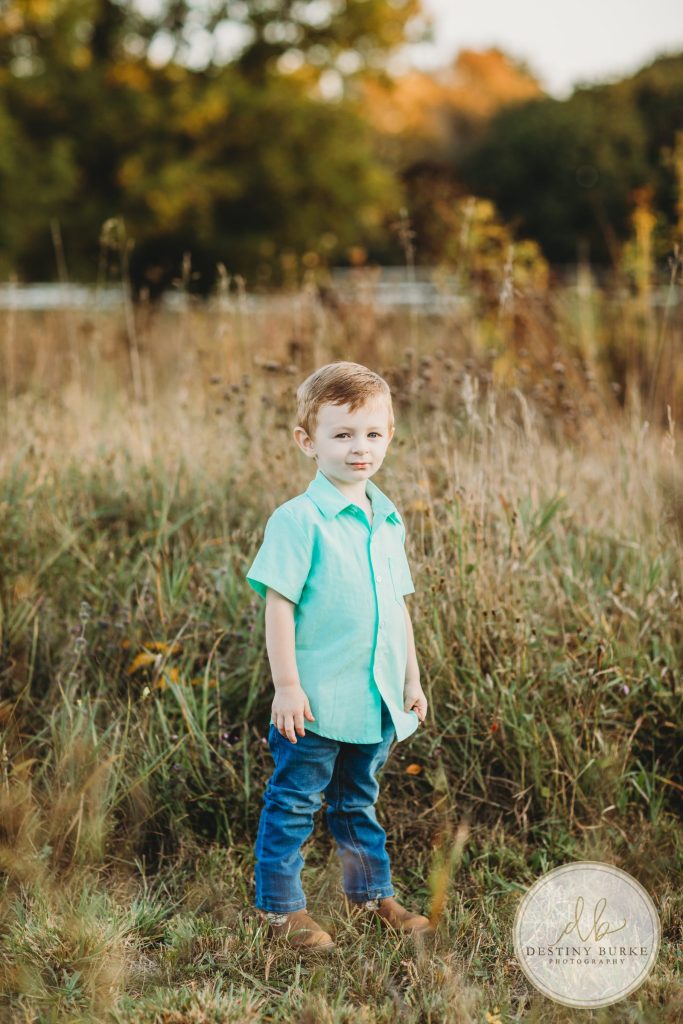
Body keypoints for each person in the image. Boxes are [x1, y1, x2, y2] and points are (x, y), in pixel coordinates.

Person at [245, 361, 434, 952]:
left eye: (373, 434)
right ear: (308, 441)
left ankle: (370, 894)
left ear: (390, 436)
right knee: (296, 800)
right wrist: (287, 686)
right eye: (343, 434)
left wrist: (411, 676)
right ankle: (280, 909)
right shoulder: (299, 521)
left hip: (374, 696)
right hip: (315, 701)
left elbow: (397, 607)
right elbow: (278, 606)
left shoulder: (388, 518)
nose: (361, 448)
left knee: (358, 802)